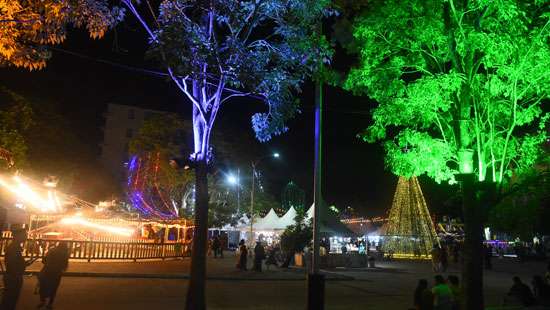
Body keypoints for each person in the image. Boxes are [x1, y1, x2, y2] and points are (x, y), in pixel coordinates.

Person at [1, 227, 35, 310]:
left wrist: (25, 263)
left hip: (12, 277)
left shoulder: (14, 247)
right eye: (24, 235)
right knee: (10, 300)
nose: (26, 237)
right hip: (13, 278)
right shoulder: (14, 248)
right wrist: (25, 264)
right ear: (18, 236)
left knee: (9, 300)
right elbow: (13, 265)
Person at [37, 242, 70, 309]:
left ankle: (42, 301)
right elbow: (65, 266)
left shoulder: (51, 250)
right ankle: (50, 303)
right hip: (57, 273)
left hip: (47, 271)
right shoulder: (65, 254)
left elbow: (43, 260)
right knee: (54, 287)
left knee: (43, 286)